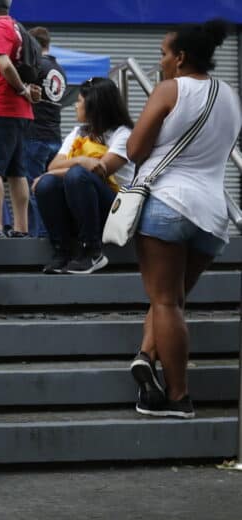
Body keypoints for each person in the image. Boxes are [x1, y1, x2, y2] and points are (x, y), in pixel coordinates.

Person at [126, 20, 241, 419]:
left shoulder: (169, 89)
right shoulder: (229, 95)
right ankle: (145, 355)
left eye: (162, 53)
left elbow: (135, 149)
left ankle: (178, 396)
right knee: (171, 301)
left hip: (168, 205)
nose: (158, 61)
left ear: (180, 58)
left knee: (164, 300)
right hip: (212, 214)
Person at [32, 77, 134, 274]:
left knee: (77, 176)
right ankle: (62, 251)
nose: (75, 106)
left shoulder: (123, 135)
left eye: (79, 101)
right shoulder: (78, 133)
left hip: (114, 210)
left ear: (94, 104)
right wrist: (81, 161)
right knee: (47, 184)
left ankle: (92, 251)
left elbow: (100, 170)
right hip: (81, 207)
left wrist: (78, 167)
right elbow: (53, 165)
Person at [0, 0, 41, 237]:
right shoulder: (17, 27)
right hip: (21, 112)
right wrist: (26, 91)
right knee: (17, 172)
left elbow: (3, 64)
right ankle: (21, 229)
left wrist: (22, 89)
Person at [6, 27, 67, 238]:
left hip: (35, 136)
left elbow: (18, 89)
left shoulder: (36, 65)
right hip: (54, 137)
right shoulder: (59, 69)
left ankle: (39, 236)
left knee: (34, 189)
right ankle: (54, 234)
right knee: (53, 191)